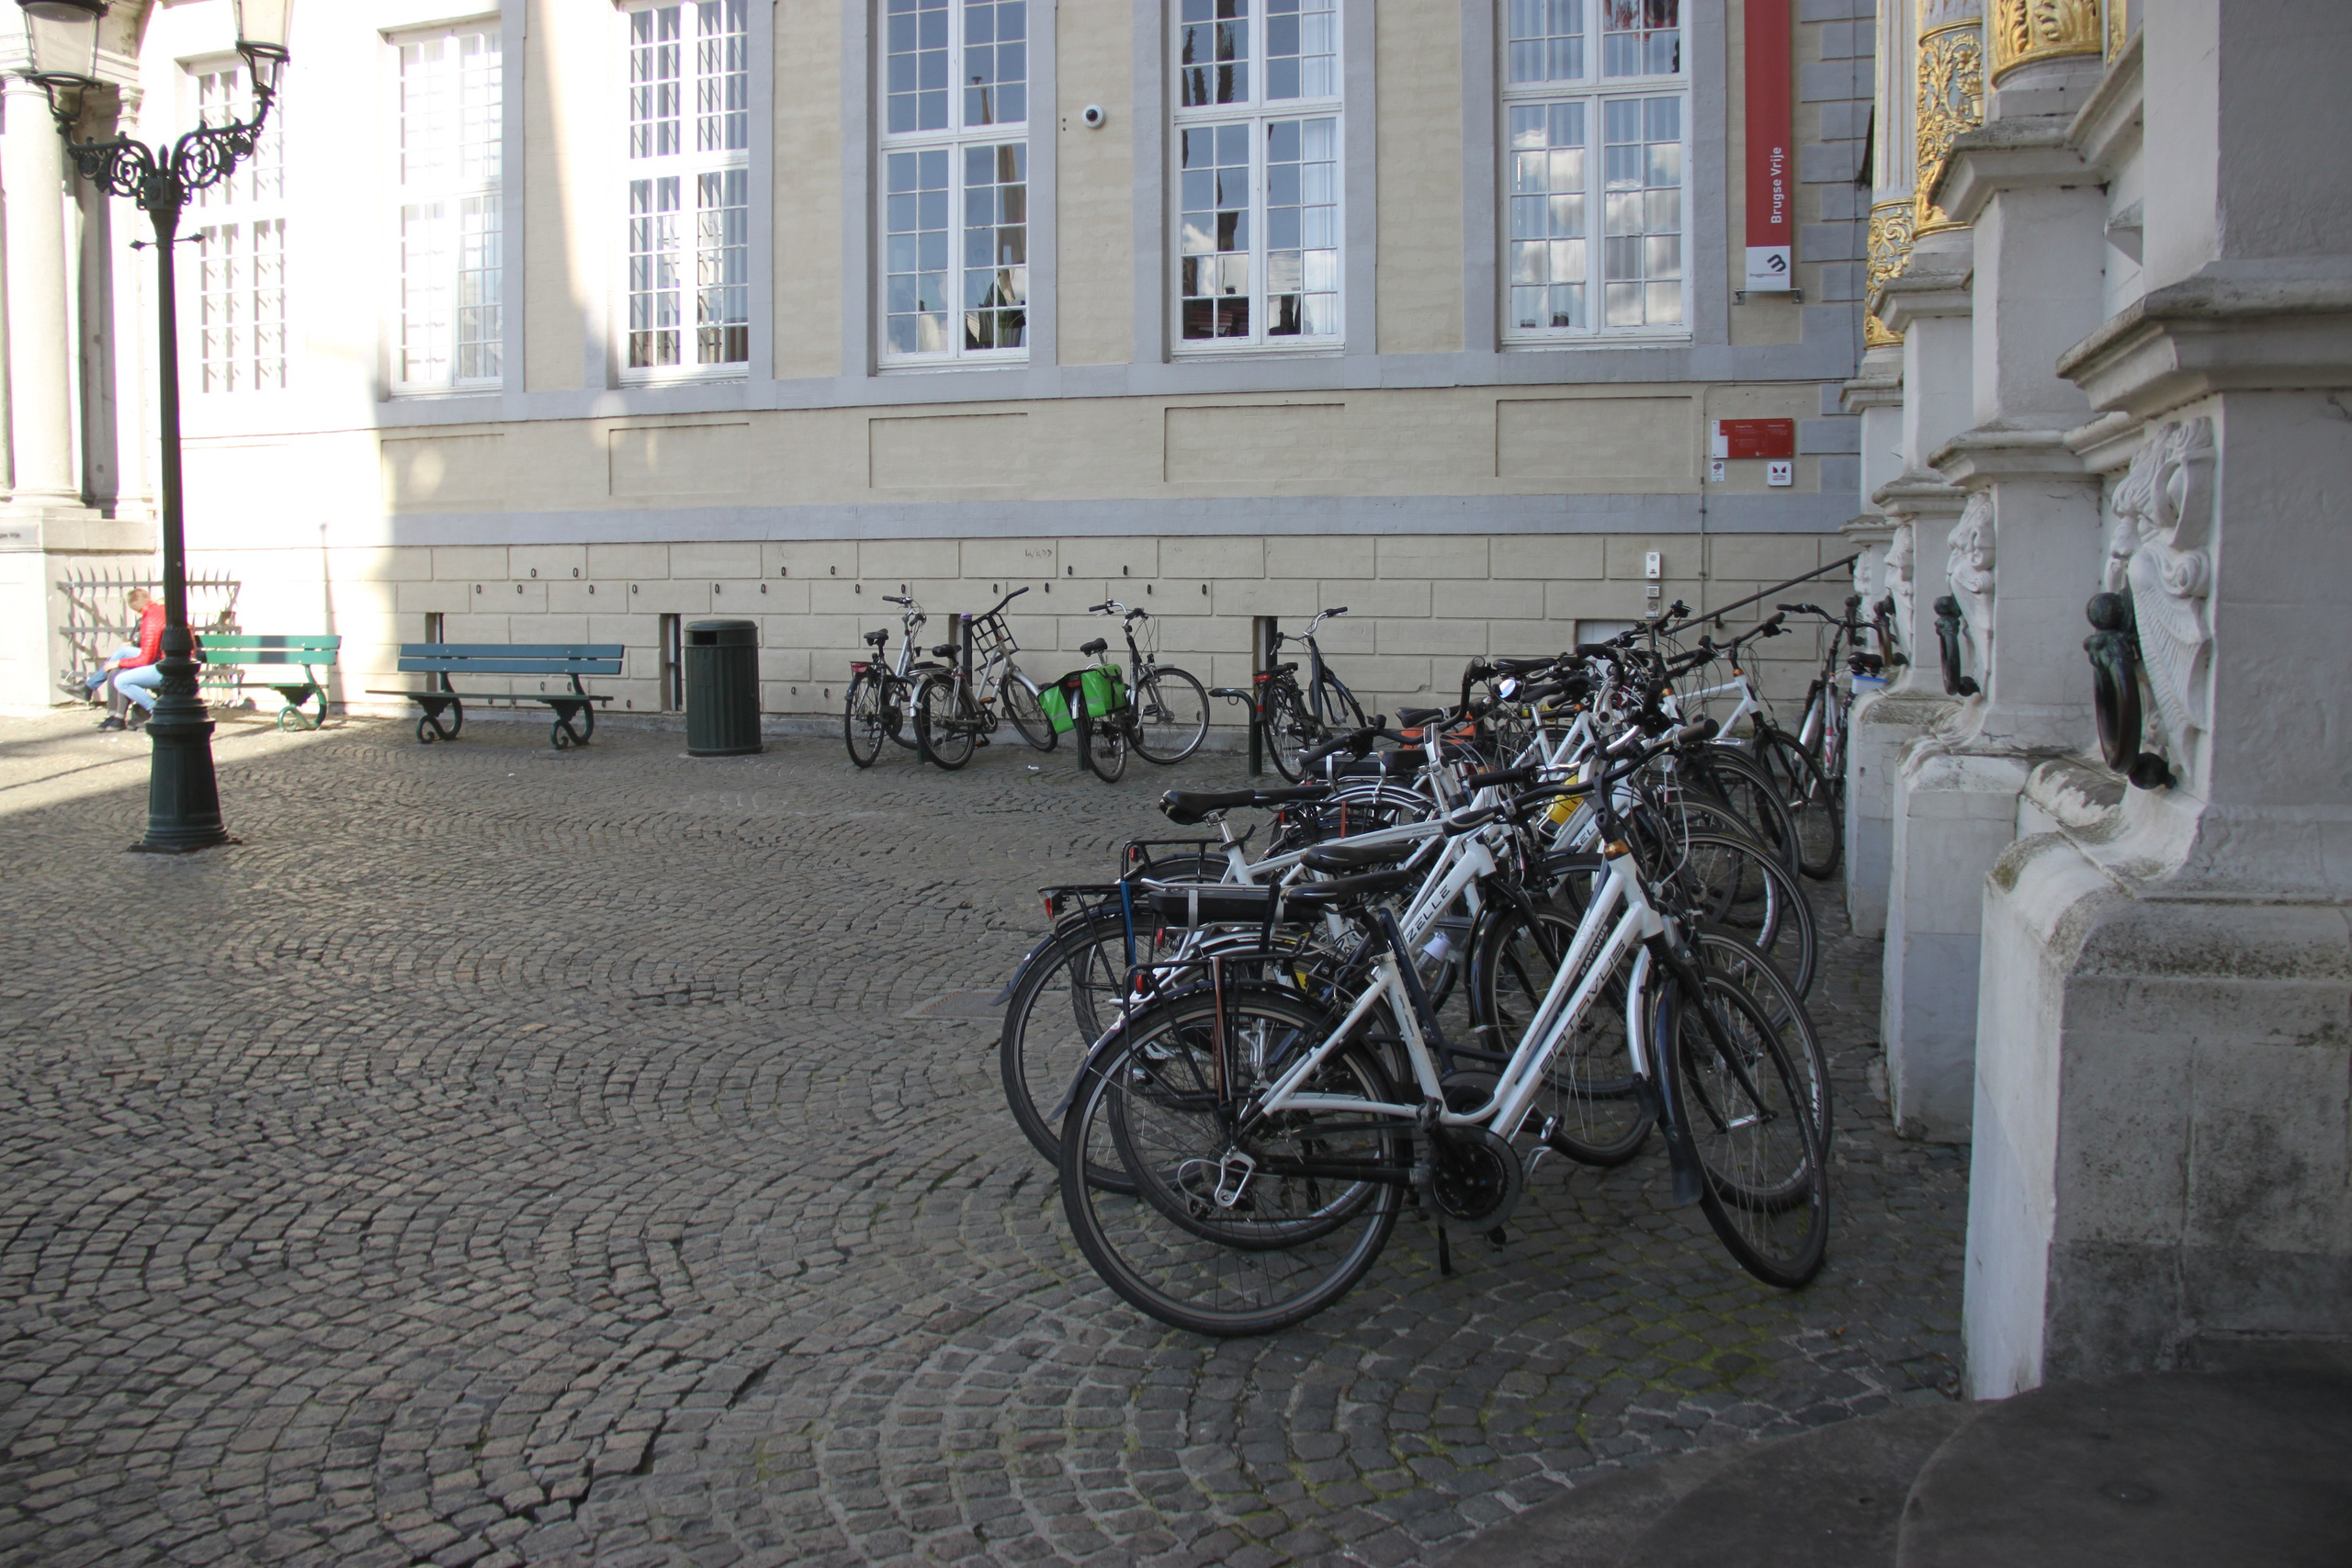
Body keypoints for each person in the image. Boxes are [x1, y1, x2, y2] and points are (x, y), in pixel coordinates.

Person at [97, 589, 168, 732]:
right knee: (116, 671)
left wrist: (118, 662)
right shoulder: (153, 614)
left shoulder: (152, 618)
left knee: (121, 677)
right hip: (157, 659)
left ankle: (156, 711)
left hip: (163, 664)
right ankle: (117, 716)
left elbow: (147, 657)